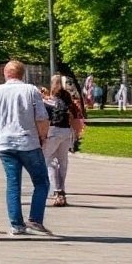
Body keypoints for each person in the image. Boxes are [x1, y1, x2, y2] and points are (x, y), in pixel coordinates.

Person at [0, 61, 53, 236]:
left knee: (13, 184)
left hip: (5, 143)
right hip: (28, 142)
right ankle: (35, 218)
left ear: (6, 74)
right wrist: (43, 137)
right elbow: (42, 117)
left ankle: (17, 225)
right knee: (41, 182)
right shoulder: (31, 90)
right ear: (22, 74)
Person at [43, 76, 79, 207]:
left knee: (49, 161)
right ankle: (61, 191)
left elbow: (44, 120)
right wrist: (75, 137)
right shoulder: (67, 101)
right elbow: (75, 120)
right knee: (62, 162)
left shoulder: (47, 103)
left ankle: (56, 191)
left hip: (52, 132)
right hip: (66, 132)